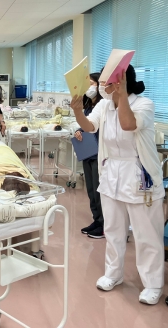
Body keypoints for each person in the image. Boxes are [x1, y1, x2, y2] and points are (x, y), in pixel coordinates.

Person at [70, 65, 164, 305]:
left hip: (138, 173)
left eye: (107, 83)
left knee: (146, 233)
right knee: (113, 229)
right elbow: (89, 127)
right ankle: (114, 273)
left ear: (121, 82)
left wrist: (121, 97)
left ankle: (153, 283)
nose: (102, 87)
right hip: (112, 172)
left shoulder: (143, 104)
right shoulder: (103, 105)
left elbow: (128, 125)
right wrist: (78, 112)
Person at [72, 73, 104, 239]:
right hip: (88, 152)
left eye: (92, 83)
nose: (90, 87)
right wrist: (78, 131)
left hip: (99, 151)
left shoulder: (103, 106)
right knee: (91, 190)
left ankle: (104, 224)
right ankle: (97, 220)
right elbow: (84, 125)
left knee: (99, 191)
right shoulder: (88, 106)